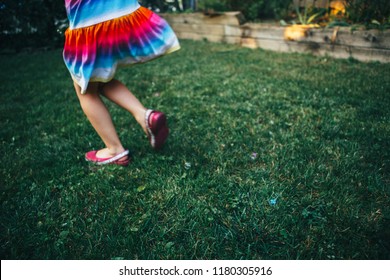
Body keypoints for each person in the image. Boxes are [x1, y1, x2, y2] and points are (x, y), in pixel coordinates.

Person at [63, 0, 180, 166]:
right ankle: (144, 116)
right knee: (99, 80)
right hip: (120, 12)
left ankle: (114, 150)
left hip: (89, 20)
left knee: (86, 90)